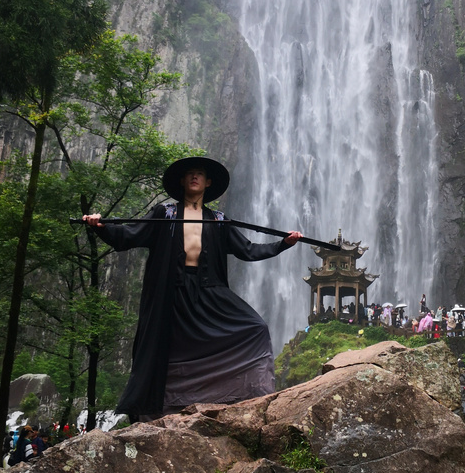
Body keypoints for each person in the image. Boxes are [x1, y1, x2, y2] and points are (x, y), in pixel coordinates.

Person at [84, 156, 302, 422]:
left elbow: (247, 250)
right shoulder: (165, 213)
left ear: (208, 182)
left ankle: (239, 393)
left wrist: (282, 244)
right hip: (171, 289)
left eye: (199, 173)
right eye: (190, 173)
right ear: (182, 181)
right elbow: (130, 235)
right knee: (163, 345)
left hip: (208, 289)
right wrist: (101, 227)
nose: (194, 177)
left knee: (256, 327)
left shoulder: (218, 220)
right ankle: (163, 406)